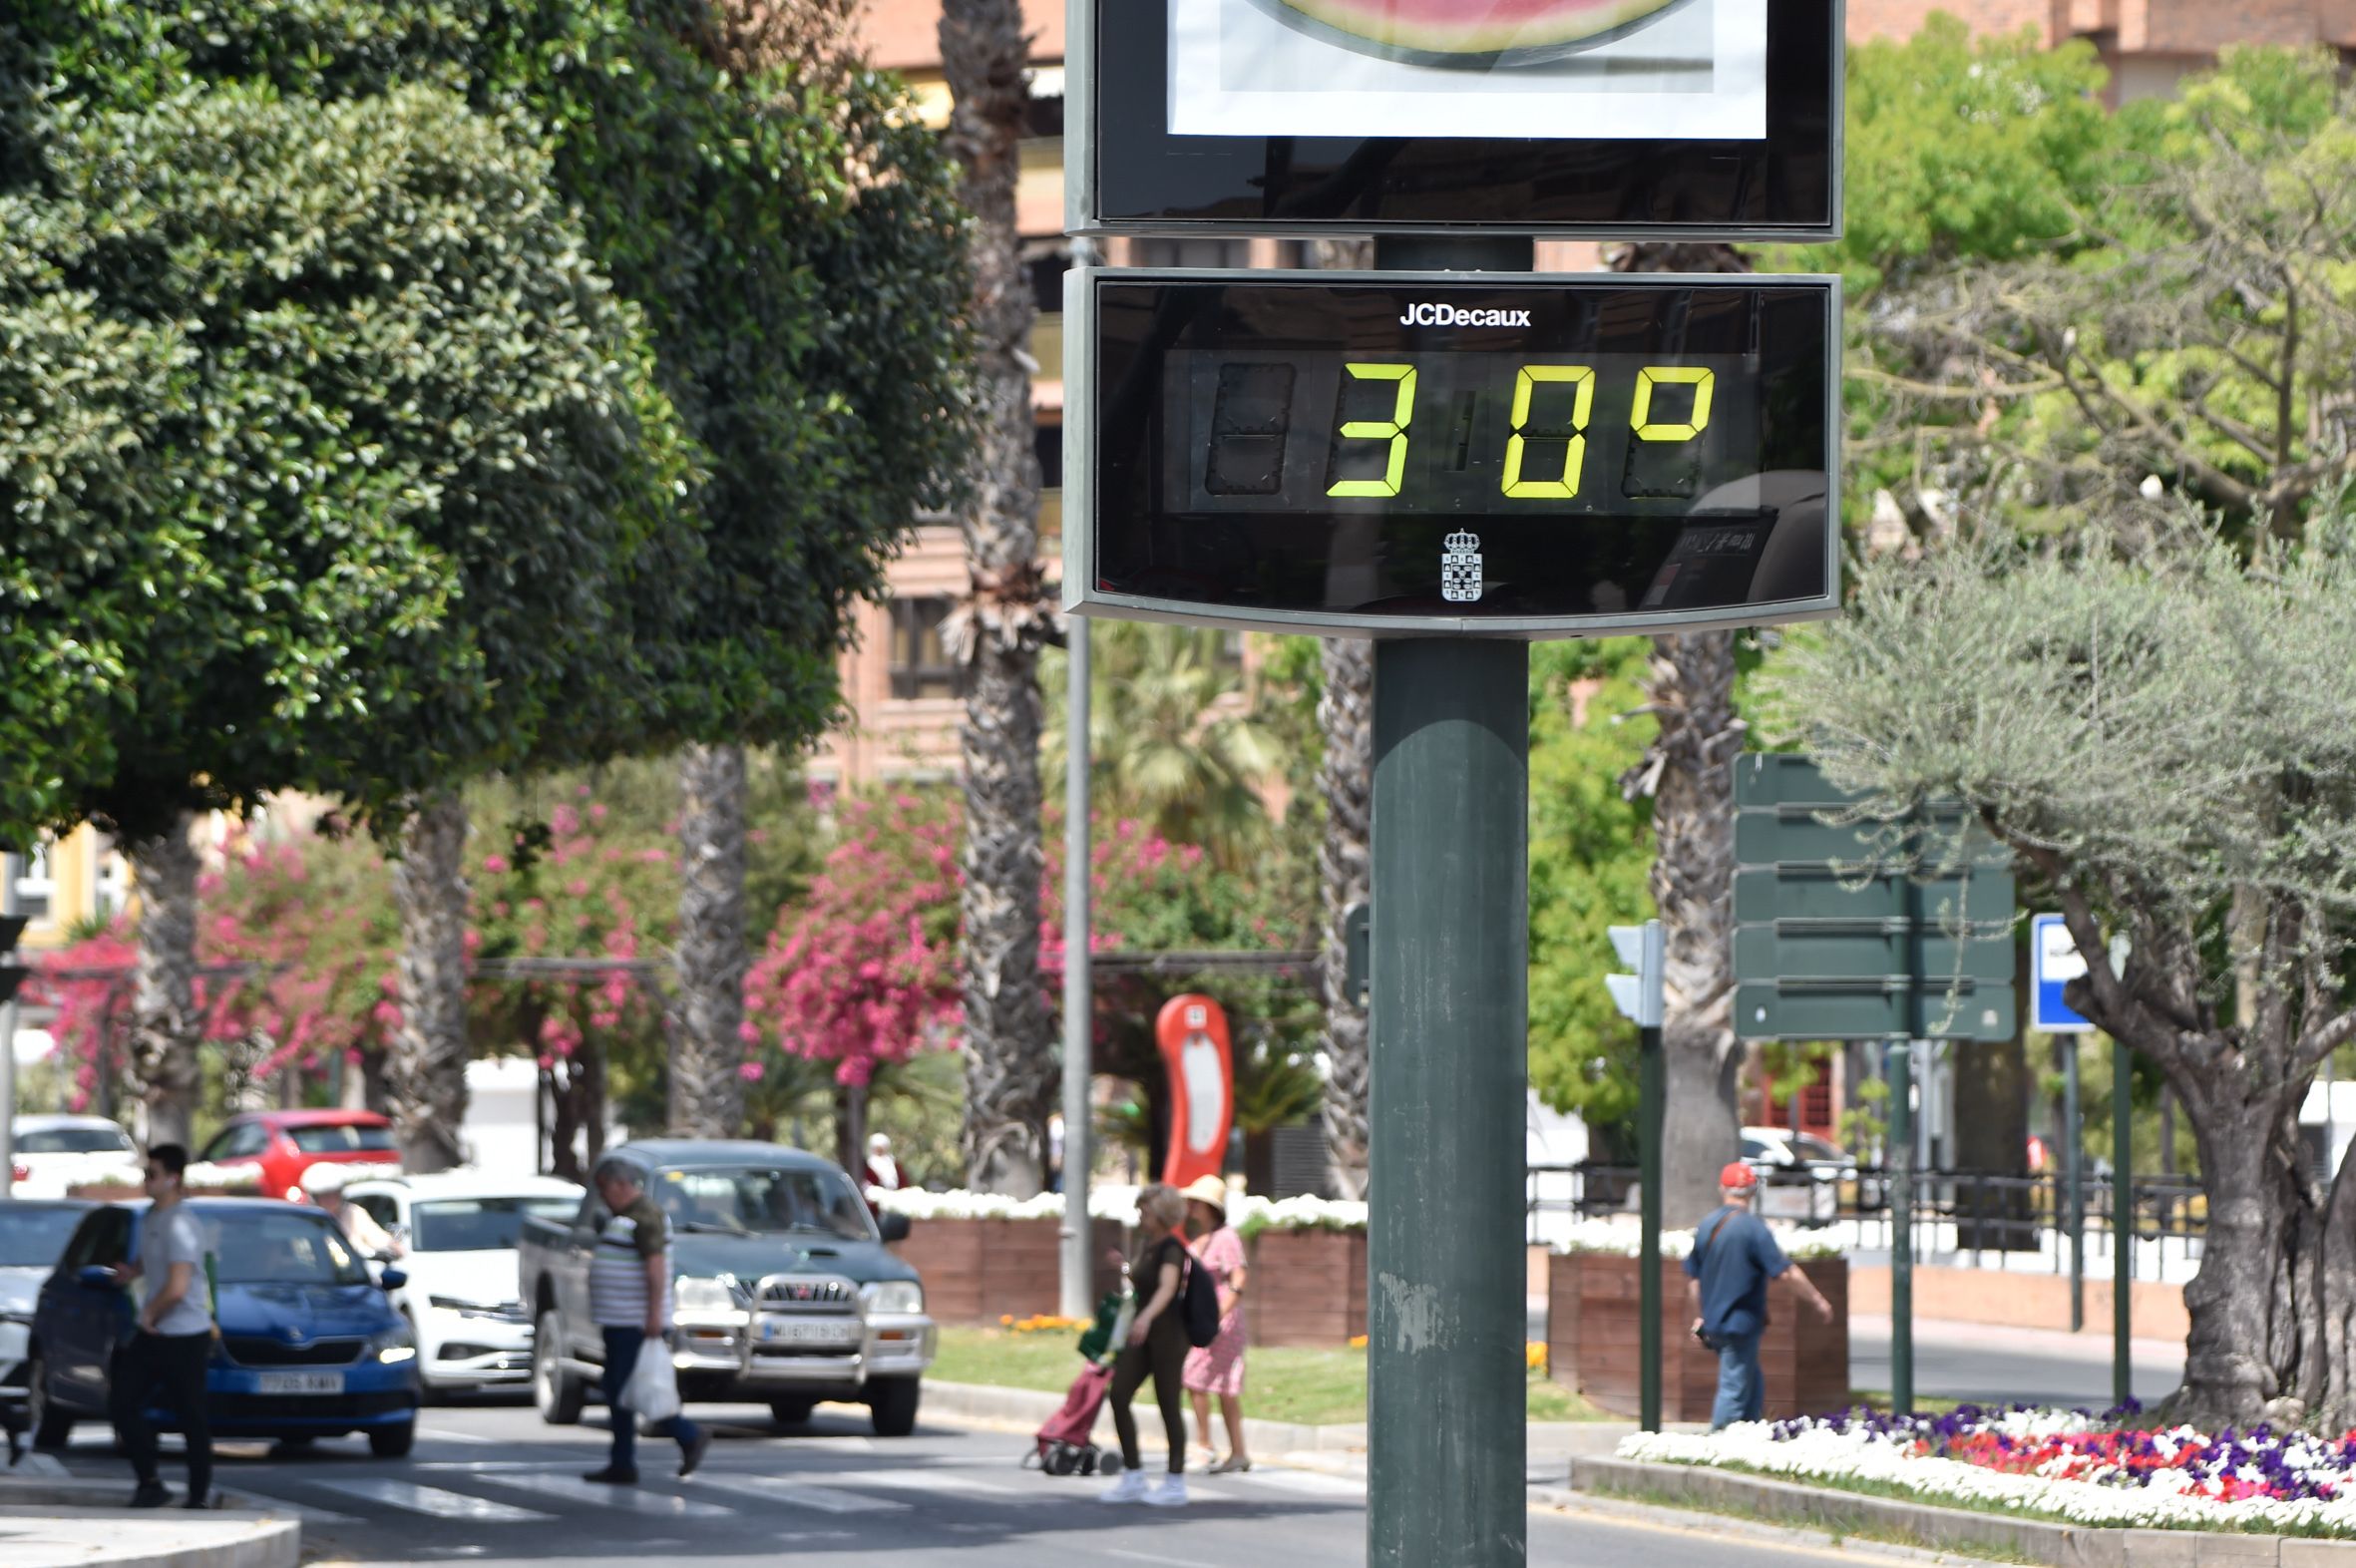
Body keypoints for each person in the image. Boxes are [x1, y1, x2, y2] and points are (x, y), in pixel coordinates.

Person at [583, 1155, 710, 1485]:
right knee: (619, 1391)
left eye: (605, 1190)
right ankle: (623, 1461)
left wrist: (653, 1314)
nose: (603, 1197)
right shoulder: (624, 1217)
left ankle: (686, 1435)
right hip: (621, 1320)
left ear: (621, 1185)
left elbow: (655, 1267)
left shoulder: (645, 1216)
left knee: (633, 1391)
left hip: (635, 1323)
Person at [1686, 1162, 1834, 1430]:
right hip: (1740, 1322)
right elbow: (1786, 1273)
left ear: (1722, 1189)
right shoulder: (1753, 1228)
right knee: (1734, 1389)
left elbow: (1694, 1280)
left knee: (1751, 1385)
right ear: (1752, 1192)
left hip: (1716, 1323)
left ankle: (1750, 1438)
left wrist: (1701, 1316)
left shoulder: (1707, 1225)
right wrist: (1816, 1300)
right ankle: (1717, 1446)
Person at [107, 1144, 215, 1509]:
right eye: (145, 1173)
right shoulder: (153, 1216)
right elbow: (150, 1261)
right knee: (122, 1402)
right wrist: (132, 1271)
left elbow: (178, 1286)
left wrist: (150, 1312)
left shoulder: (182, 1223)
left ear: (173, 1178)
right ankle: (150, 1483)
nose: (146, 1180)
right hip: (154, 1332)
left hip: (184, 1334)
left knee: (191, 1416)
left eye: (151, 1174)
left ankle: (198, 1494)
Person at [1100, 1184, 1191, 1506]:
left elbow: (1167, 1288)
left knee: (1169, 1404)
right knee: (1119, 1393)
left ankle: (1175, 1481)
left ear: (1163, 1214)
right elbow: (1145, 1280)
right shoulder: (1148, 1244)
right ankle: (1134, 1473)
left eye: (1146, 1211)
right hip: (1142, 1334)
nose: (1141, 1215)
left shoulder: (1172, 1248)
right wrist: (1124, 1267)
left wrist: (1146, 1317)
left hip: (1167, 1334)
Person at [1179, 1175, 1250, 1473]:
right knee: (1218, 1387)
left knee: (1197, 1377)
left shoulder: (1226, 1237)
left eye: (1198, 1203)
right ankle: (1237, 1452)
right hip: (1205, 1315)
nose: (1191, 1207)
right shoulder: (1201, 1239)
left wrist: (1218, 1313)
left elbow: (1239, 1278)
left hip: (1221, 1318)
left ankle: (1206, 1446)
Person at [300, 1165, 401, 1261]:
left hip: (355, 1272)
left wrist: (392, 1246)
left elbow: (377, 1237)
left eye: (334, 1193)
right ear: (314, 1198)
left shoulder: (354, 1213)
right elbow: (302, 1251)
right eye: (325, 1195)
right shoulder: (308, 1220)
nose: (331, 1199)